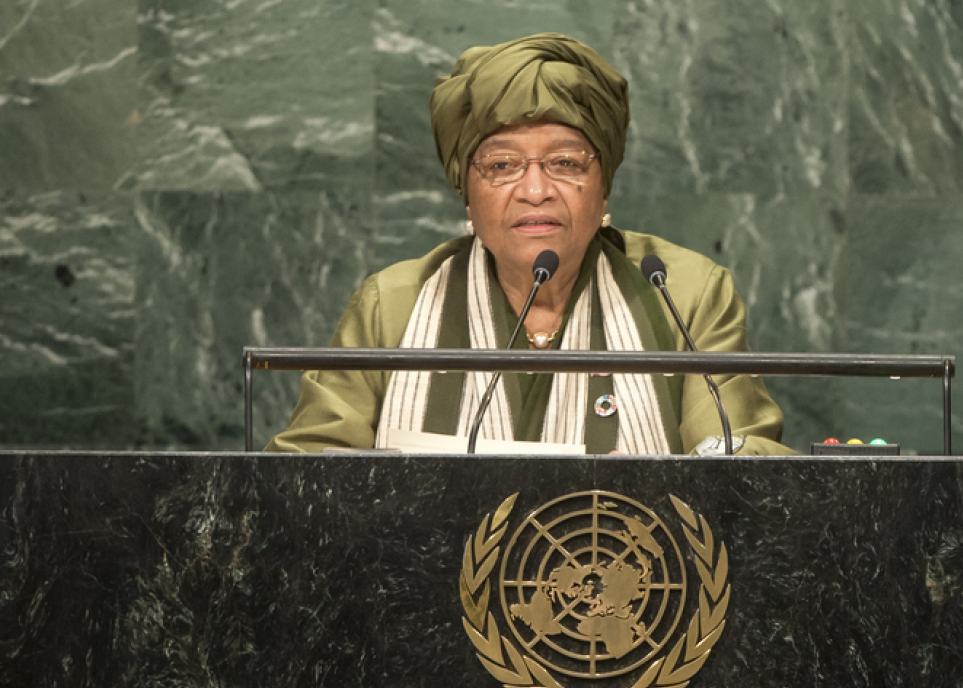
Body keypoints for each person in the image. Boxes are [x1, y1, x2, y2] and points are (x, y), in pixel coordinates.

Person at [268, 33, 791, 455]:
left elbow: (742, 471)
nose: (536, 190)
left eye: (565, 163)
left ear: (603, 185)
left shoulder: (683, 293)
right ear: (467, 196)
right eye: (501, 166)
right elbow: (308, 478)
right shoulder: (394, 304)